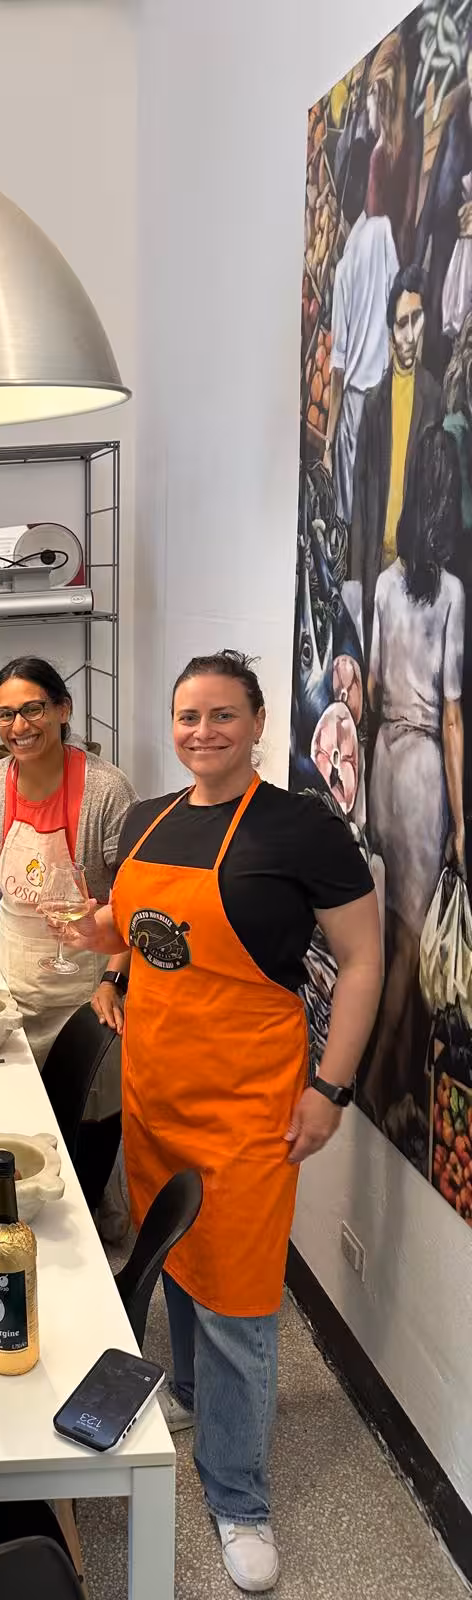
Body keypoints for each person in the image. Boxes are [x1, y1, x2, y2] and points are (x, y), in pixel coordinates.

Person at [63, 651, 381, 1594]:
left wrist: (331, 1089)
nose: (203, 732)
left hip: (250, 1101)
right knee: (174, 1264)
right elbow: (135, 933)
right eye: (188, 717)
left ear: (256, 721)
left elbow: (363, 961)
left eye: (222, 716)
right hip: (158, 1088)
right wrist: (108, 964)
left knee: (241, 1298)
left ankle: (238, 1494)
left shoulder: (302, 830)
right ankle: (193, 1402)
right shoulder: (148, 818)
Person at [0, 657, 136, 1225]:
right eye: (5, 714)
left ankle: (96, 1196)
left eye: (32, 709)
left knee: (94, 1100)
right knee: (17, 1101)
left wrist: (112, 979)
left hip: (87, 974)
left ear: (63, 710)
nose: (19, 726)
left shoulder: (106, 790)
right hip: (16, 973)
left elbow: (131, 899)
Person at [363, 426, 466, 1138]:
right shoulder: (453, 592)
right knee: (410, 941)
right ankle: (375, 1083)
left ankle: (392, 1081)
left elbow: (368, 690)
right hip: (427, 765)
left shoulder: (383, 585)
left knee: (395, 925)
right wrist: (463, 820)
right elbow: (454, 715)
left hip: (384, 762)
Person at [350, 264, 443, 657]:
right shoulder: (374, 405)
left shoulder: (434, 398)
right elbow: (359, 493)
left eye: (416, 320)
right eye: (401, 323)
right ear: (391, 329)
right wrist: (355, 580)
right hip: (377, 558)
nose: (409, 334)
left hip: (413, 565)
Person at [322, 137, 397, 526]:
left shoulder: (344, 266)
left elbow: (336, 372)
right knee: (380, 506)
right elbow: (395, 303)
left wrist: (328, 443)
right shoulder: (384, 231)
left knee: (349, 517)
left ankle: (351, 589)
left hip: (353, 402)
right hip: (384, 395)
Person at [413, 47, 472, 382]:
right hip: (441, 275)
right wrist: (413, 276)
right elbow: (432, 202)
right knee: (435, 374)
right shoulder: (453, 124)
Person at [364, 31, 417, 265]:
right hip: (400, 263)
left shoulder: (379, 158)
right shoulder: (408, 141)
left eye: (371, 95)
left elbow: (373, 228)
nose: (367, 111)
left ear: (380, 93)